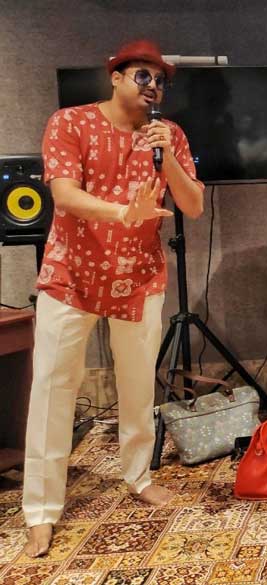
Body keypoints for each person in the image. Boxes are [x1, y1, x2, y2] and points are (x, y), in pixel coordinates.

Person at [22, 40, 204, 558]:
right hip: (71, 276)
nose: (153, 87)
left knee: (137, 382)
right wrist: (123, 213)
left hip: (138, 277)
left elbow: (192, 205)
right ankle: (40, 510)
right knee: (54, 388)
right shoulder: (70, 122)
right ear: (116, 78)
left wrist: (167, 155)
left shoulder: (168, 136)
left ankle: (138, 475)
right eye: (143, 76)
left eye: (160, 80)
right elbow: (64, 195)